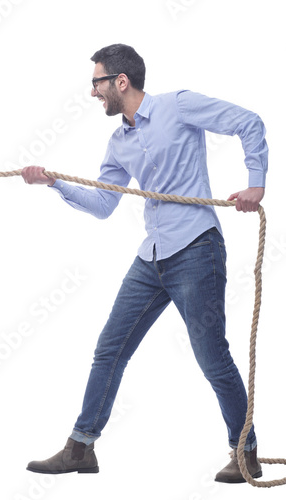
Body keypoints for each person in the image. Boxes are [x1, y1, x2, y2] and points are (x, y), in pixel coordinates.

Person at [21, 44, 268, 483]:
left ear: (120, 82)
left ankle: (245, 451)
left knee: (212, 357)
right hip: (151, 258)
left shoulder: (179, 105)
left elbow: (248, 122)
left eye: (97, 82)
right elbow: (103, 204)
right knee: (110, 349)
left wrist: (255, 184)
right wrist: (53, 182)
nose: (93, 92)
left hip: (197, 249)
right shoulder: (118, 143)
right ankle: (81, 447)